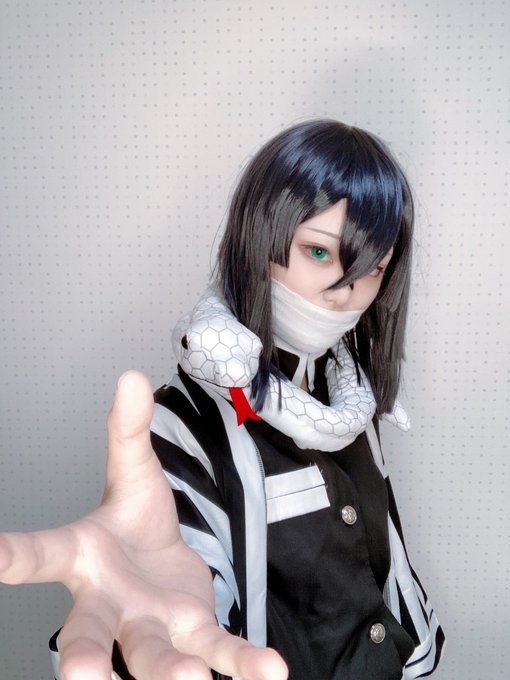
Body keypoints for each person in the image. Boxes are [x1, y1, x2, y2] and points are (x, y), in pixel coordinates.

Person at [1, 119, 444, 680]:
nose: (346, 291)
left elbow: (385, 559)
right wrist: (144, 622)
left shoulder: (352, 396)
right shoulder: (181, 423)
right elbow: (180, 594)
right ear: (261, 236)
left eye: (374, 269)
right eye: (318, 251)